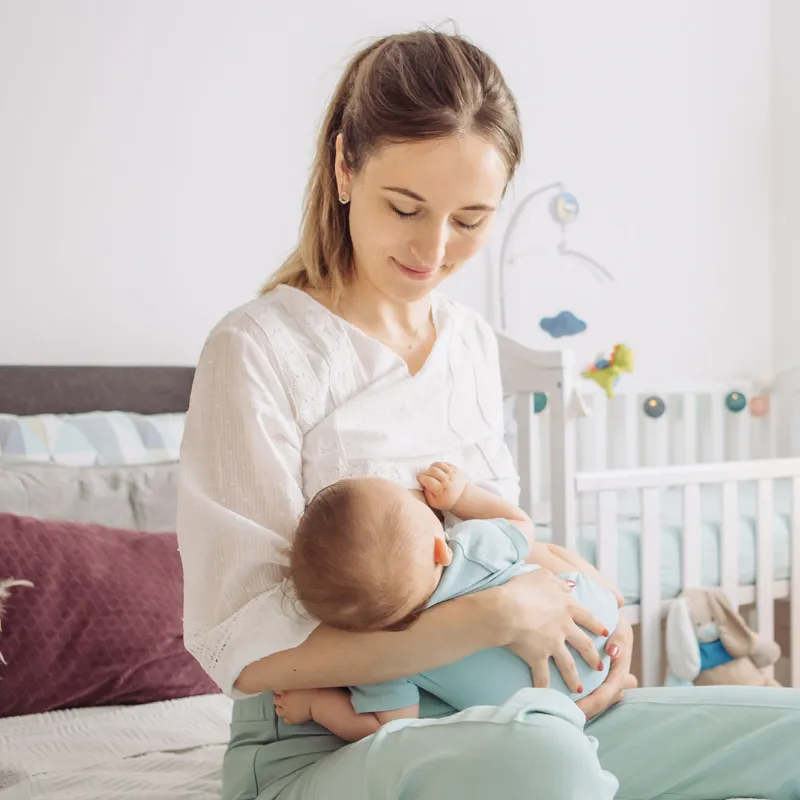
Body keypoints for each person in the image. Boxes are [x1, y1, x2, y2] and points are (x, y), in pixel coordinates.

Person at [177, 29, 800, 800]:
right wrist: (493, 621)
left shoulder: (469, 345)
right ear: (344, 167)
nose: (433, 250)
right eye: (405, 207)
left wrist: (581, 601)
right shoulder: (261, 347)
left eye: (469, 220)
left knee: (789, 732)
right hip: (332, 743)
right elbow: (245, 647)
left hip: (518, 704)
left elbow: (495, 539)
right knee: (545, 766)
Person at [274, 462, 621, 742]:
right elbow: (522, 524)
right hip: (599, 628)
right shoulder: (471, 547)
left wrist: (317, 705)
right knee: (554, 557)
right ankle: (608, 595)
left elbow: (388, 727)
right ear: (440, 547)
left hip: (536, 713)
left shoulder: (380, 657)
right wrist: (462, 498)